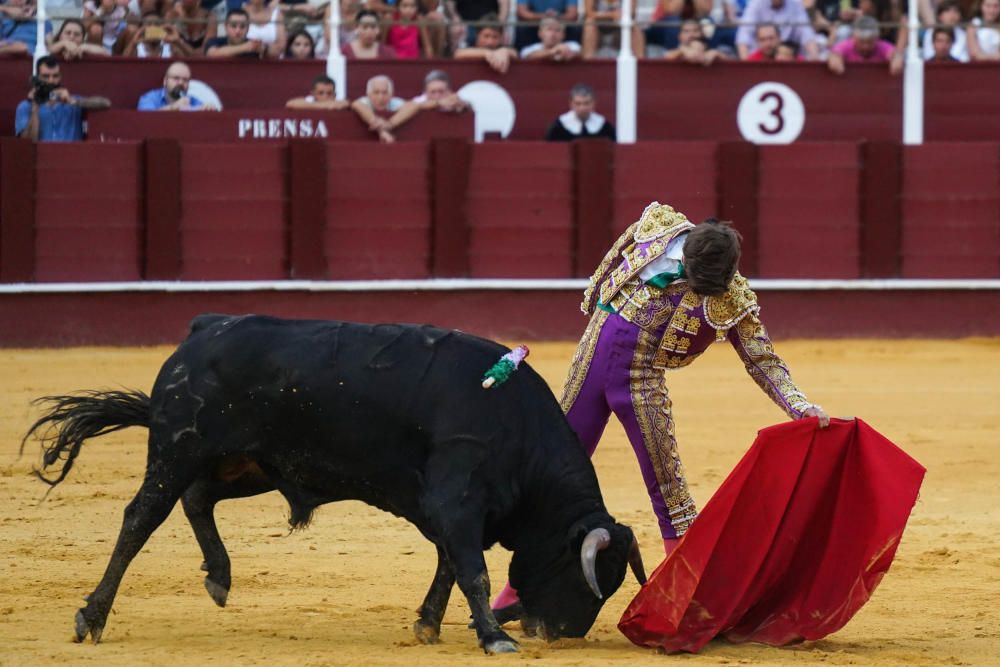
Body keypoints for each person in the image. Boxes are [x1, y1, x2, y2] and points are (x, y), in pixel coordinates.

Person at [490, 203, 829, 618]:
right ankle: (514, 595)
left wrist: (799, 405)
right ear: (685, 255)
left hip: (641, 380)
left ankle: (683, 602)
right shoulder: (659, 228)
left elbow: (761, 357)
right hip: (591, 359)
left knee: (669, 490)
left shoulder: (732, 295)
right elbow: (615, 259)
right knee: (551, 480)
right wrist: (597, 298)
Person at [15, 56, 111, 142]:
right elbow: (27, 142)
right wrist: (35, 107)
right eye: (45, 76)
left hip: (71, 157)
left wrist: (73, 101)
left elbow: (105, 103)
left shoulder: (72, 101)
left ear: (60, 77)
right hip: (41, 158)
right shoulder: (25, 106)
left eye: (55, 76)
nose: (51, 81)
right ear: (37, 78)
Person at [735, 0, 818, 59]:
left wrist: (814, 58)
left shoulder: (796, 5)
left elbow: (807, 34)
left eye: (770, 39)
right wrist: (746, 65)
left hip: (787, 56)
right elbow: (743, 36)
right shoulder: (755, 4)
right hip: (760, 58)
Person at [350, 74, 422, 142]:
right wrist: (382, 131)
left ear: (391, 94)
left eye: (385, 92)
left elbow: (414, 105)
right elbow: (356, 104)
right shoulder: (364, 101)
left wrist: (389, 124)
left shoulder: (393, 102)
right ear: (368, 94)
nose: (380, 97)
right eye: (376, 92)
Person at [826, 15, 899, 73]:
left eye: (870, 42)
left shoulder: (882, 46)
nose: (866, 46)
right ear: (854, 38)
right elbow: (835, 54)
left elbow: (894, 54)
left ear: (876, 39)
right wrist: (835, 59)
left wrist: (896, 59)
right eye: (862, 42)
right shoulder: (846, 45)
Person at [544, 83, 616, 141]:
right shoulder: (558, 127)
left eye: (586, 103)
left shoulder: (605, 127)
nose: (582, 108)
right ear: (571, 104)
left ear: (594, 103)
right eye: (578, 103)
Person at [137, 61, 214, 111]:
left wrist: (208, 109)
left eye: (185, 80)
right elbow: (146, 118)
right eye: (176, 78)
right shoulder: (149, 98)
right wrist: (174, 107)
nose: (181, 83)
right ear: (165, 81)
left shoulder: (193, 100)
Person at [453, 13, 518, 72]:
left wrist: (504, 51)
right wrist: (487, 53)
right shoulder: (468, 45)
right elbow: (458, 54)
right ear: (477, 35)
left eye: (495, 37)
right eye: (486, 36)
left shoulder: (503, 49)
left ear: (501, 38)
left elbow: (515, 53)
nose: (490, 42)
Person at [286, 74, 351, 109]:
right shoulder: (309, 101)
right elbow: (290, 104)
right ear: (313, 94)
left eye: (329, 93)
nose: (325, 96)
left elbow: (347, 103)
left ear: (335, 95)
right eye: (320, 93)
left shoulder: (338, 103)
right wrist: (322, 106)